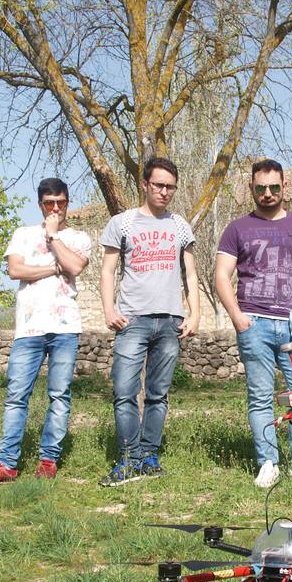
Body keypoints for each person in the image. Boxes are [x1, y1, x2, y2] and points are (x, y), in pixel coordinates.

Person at [215, 159, 292, 488]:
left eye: (274, 188)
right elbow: (221, 276)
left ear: (285, 188)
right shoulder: (237, 228)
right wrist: (238, 318)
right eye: (260, 188)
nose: (267, 193)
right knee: (260, 398)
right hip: (255, 325)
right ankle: (268, 464)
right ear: (251, 188)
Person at [0, 178, 91, 485]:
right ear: (40, 204)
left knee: (59, 395)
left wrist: (54, 238)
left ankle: (48, 460)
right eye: (49, 203)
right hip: (29, 328)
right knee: (16, 396)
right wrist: (55, 268)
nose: (56, 208)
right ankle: (6, 464)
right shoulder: (23, 234)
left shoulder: (78, 237)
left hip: (65, 327)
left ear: (68, 202)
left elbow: (76, 267)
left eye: (61, 202)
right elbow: (16, 270)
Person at [97, 158, 200, 486]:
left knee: (158, 394)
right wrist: (108, 310)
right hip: (133, 321)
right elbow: (107, 270)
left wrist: (194, 314)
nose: (165, 192)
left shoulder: (180, 225)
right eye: (159, 185)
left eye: (170, 186)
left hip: (170, 321)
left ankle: (149, 457)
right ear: (144, 184)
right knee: (125, 392)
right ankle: (128, 459)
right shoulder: (122, 223)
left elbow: (191, 273)